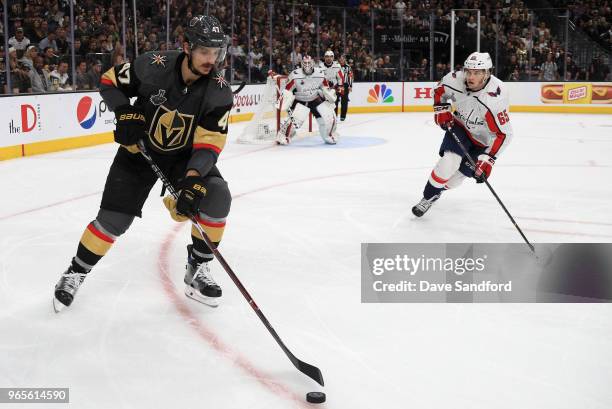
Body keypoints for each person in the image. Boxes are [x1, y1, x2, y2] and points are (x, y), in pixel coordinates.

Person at [53, 15, 233, 312]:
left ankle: (197, 268)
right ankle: (75, 271)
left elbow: (210, 142)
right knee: (113, 221)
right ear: (187, 46)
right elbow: (109, 81)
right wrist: (124, 111)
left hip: (182, 157)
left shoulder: (219, 90)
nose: (210, 60)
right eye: (204, 51)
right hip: (138, 152)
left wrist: (192, 178)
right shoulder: (154, 65)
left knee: (216, 195)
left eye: (216, 52)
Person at [412, 52, 513, 217]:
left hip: (483, 141)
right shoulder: (455, 79)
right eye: (468, 71)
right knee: (448, 163)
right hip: (460, 127)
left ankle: (439, 190)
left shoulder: (494, 98)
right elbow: (439, 91)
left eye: (477, 73)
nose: (470, 76)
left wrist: (488, 160)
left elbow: (504, 134)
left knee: (455, 180)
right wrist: (442, 110)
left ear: (486, 74)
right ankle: (428, 197)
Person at [276, 55, 338, 145]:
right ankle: (283, 136)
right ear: (301, 64)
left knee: (328, 117)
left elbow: (325, 88)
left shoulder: (320, 73)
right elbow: (287, 90)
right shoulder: (295, 75)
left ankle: (328, 135)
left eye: (309, 63)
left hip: (315, 99)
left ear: (313, 63)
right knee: (295, 120)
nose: (307, 65)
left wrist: (330, 96)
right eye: (305, 63)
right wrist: (283, 101)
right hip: (300, 99)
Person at [337, 55, 353, 121]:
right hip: (337, 85)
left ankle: (343, 116)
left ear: (345, 59)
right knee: (335, 101)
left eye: (342, 59)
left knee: (344, 102)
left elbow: (351, 77)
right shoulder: (335, 66)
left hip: (345, 85)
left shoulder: (348, 67)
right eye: (340, 59)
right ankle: (334, 115)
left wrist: (350, 86)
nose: (341, 60)